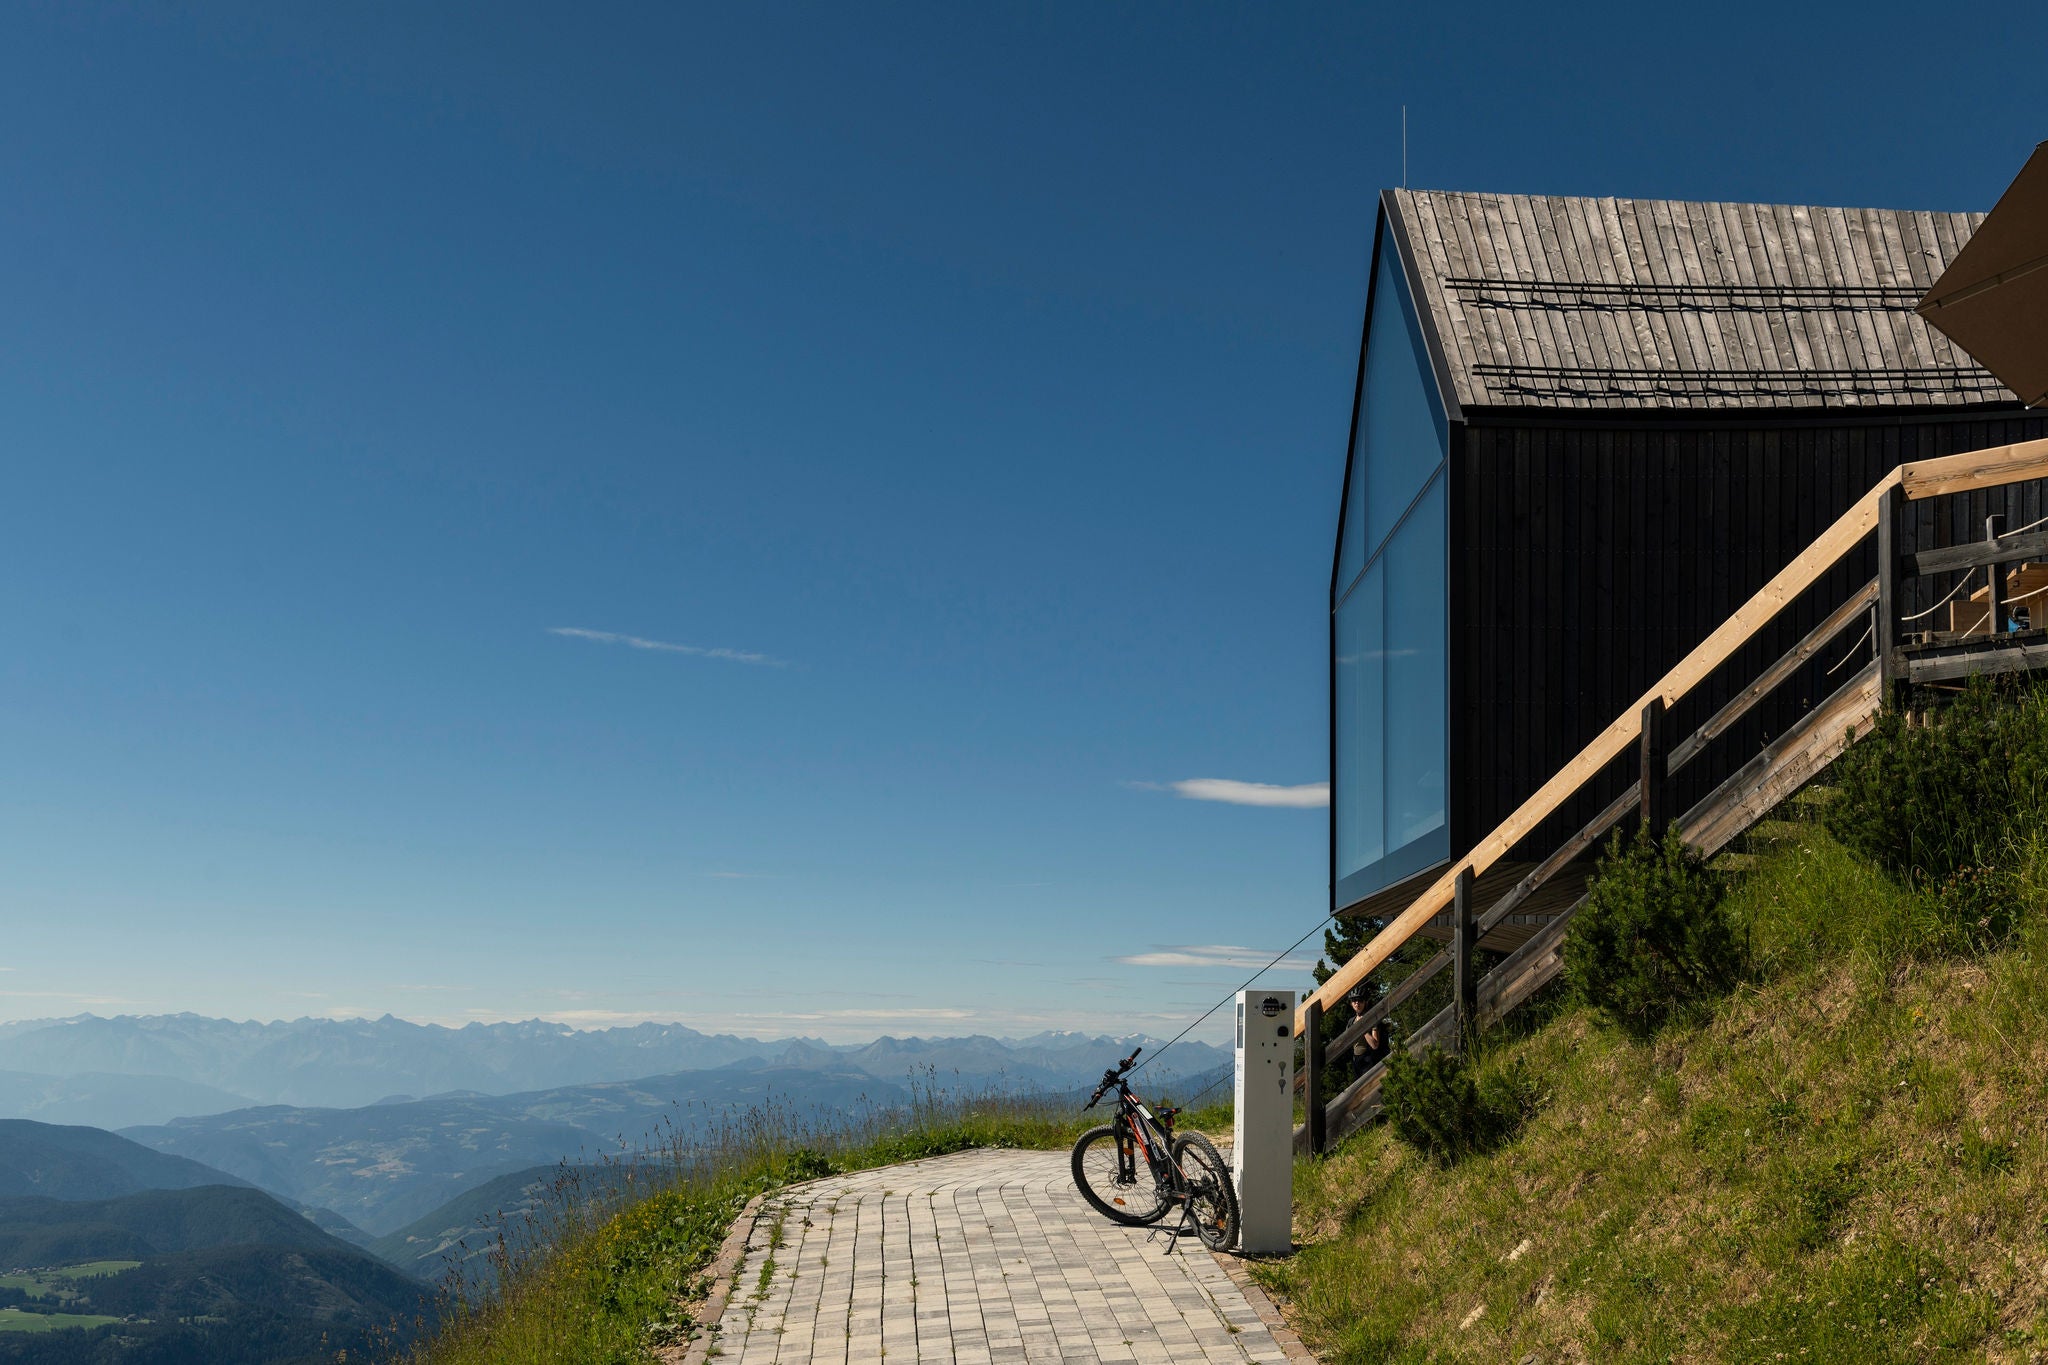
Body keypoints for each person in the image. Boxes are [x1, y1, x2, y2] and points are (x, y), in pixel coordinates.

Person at [1345, 988, 1390, 1082]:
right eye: (1354, 1000)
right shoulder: (1351, 1021)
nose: (1357, 1003)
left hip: (1369, 1060)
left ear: (1365, 1002)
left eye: (1360, 1000)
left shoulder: (1371, 1018)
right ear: (1351, 1003)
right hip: (1356, 1060)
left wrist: (1362, 1029)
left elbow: (1375, 1045)